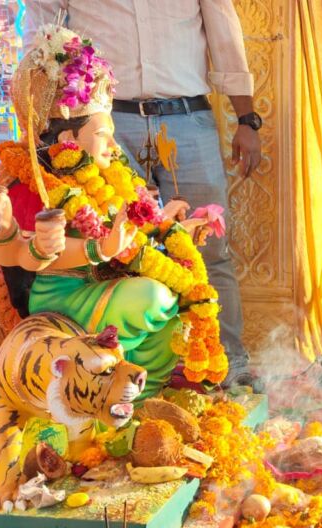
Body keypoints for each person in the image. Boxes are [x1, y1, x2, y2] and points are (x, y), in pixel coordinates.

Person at [0, 24, 228, 399]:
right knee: (153, 299)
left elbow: (133, 238)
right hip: (61, 293)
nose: (113, 144)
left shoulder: (108, 179)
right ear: (68, 138)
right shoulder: (37, 185)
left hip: (104, 284)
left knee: (171, 323)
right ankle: (102, 389)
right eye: (103, 134)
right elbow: (10, 253)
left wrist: (173, 229)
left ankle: (139, 401)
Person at [23, 0, 261, 390]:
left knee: (207, 246)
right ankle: (139, 377)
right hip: (109, 124)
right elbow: (41, 38)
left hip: (187, 118)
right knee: (123, 250)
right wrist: (40, 124)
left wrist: (247, 119)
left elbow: (225, 34)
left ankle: (228, 364)